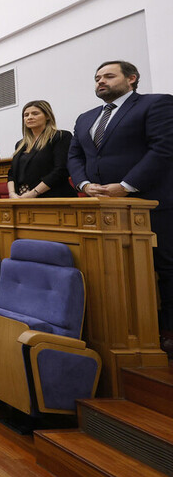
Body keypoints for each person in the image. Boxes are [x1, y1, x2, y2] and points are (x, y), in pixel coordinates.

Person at [68, 60, 173, 354]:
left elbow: (163, 149)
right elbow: (75, 156)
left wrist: (126, 186)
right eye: (98, 77)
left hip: (152, 203)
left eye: (109, 76)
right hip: (101, 206)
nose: (101, 81)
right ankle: (125, 332)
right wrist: (84, 185)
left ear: (131, 79)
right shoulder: (85, 117)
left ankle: (167, 331)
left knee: (165, 268)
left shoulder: (155, 104)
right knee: (115, 272)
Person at [8, 100, 77, 199]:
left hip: (54, 197)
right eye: (26, 115)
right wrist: (12, 194)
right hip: (21, 198)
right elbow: (11, 173)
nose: (29, 117)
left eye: (35, 113)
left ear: (47, 116)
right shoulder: (20, 144)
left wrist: (34, 193)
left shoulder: (60, 136)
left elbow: (61, 170)